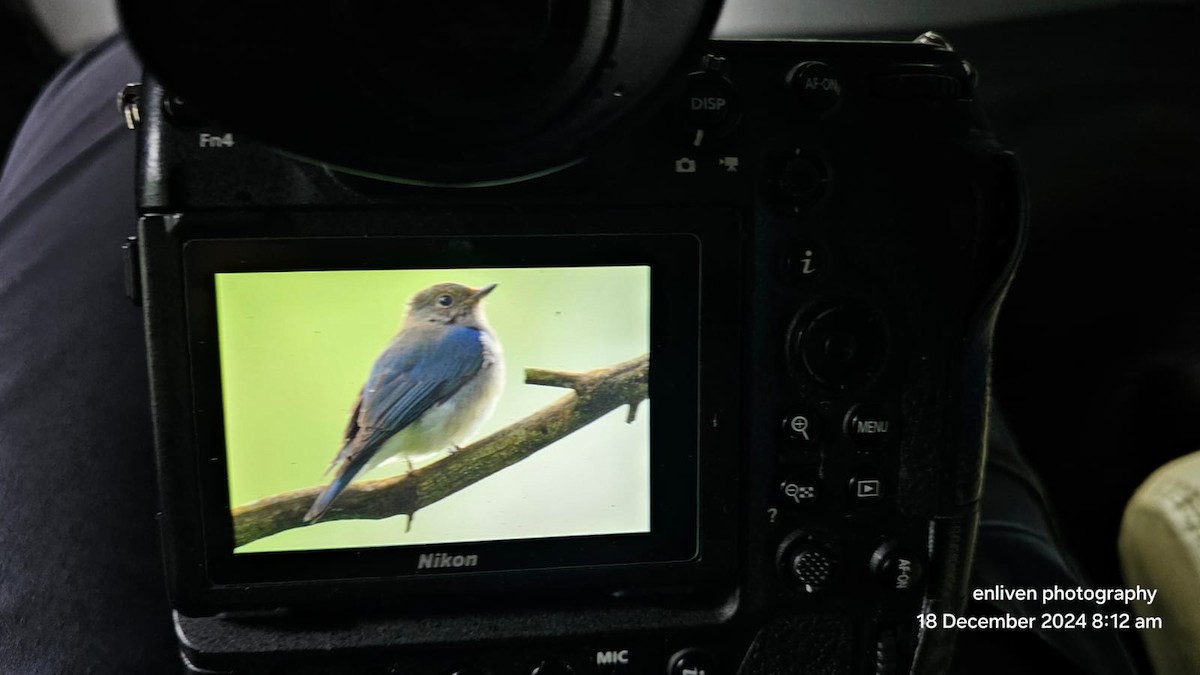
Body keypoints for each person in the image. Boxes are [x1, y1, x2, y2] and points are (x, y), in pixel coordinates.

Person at [0, 36, 1139, 674]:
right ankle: (1148, 555)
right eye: (459, 291)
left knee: (101, 83)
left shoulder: (113, 123)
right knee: (1038, 608)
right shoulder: (458, 345)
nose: (473, 299)